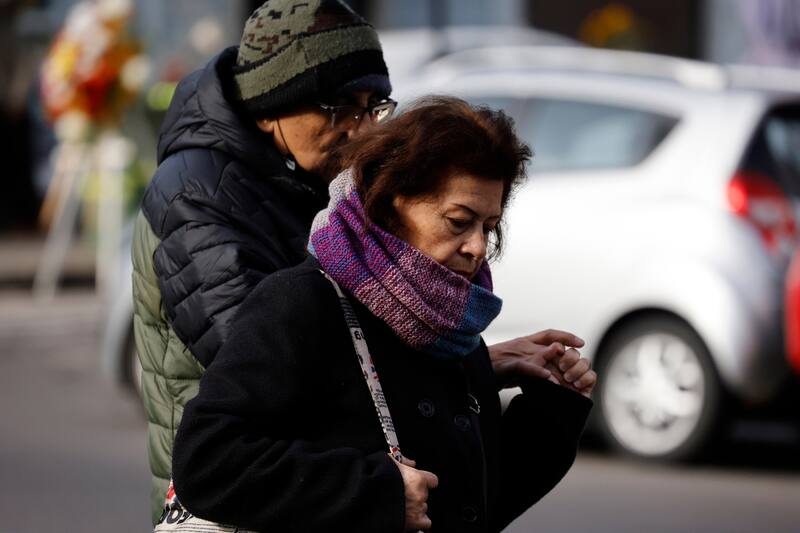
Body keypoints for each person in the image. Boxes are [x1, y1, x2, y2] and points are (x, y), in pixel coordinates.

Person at [133, 0, 592, 524]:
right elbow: (272, 371)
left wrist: (550, 407)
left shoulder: (438, 320)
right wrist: (377, 484)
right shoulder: (209, 202)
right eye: (338, 106)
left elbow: (467, 501)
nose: (359, 128)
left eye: (374, 105)